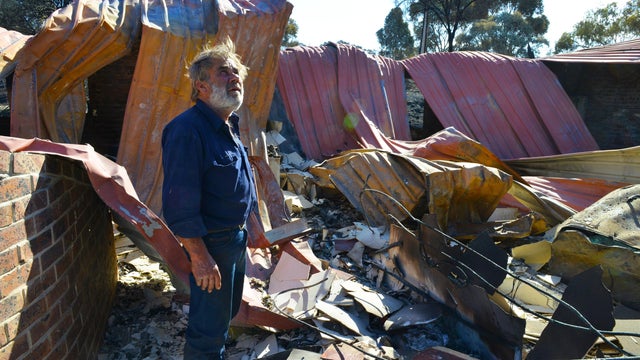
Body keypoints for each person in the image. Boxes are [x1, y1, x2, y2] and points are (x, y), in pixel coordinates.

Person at [161, 38, 257, 360]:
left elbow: (240, 182)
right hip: (212, 246)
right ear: (201, 87)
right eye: (223, 73)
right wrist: (200, 257)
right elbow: (179, 204)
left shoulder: (228, 126)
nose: (234, 78)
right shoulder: (187, 130)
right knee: (207, 329)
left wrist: (251, 225)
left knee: (224, 314)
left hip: (234, 241)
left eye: (236, 72)